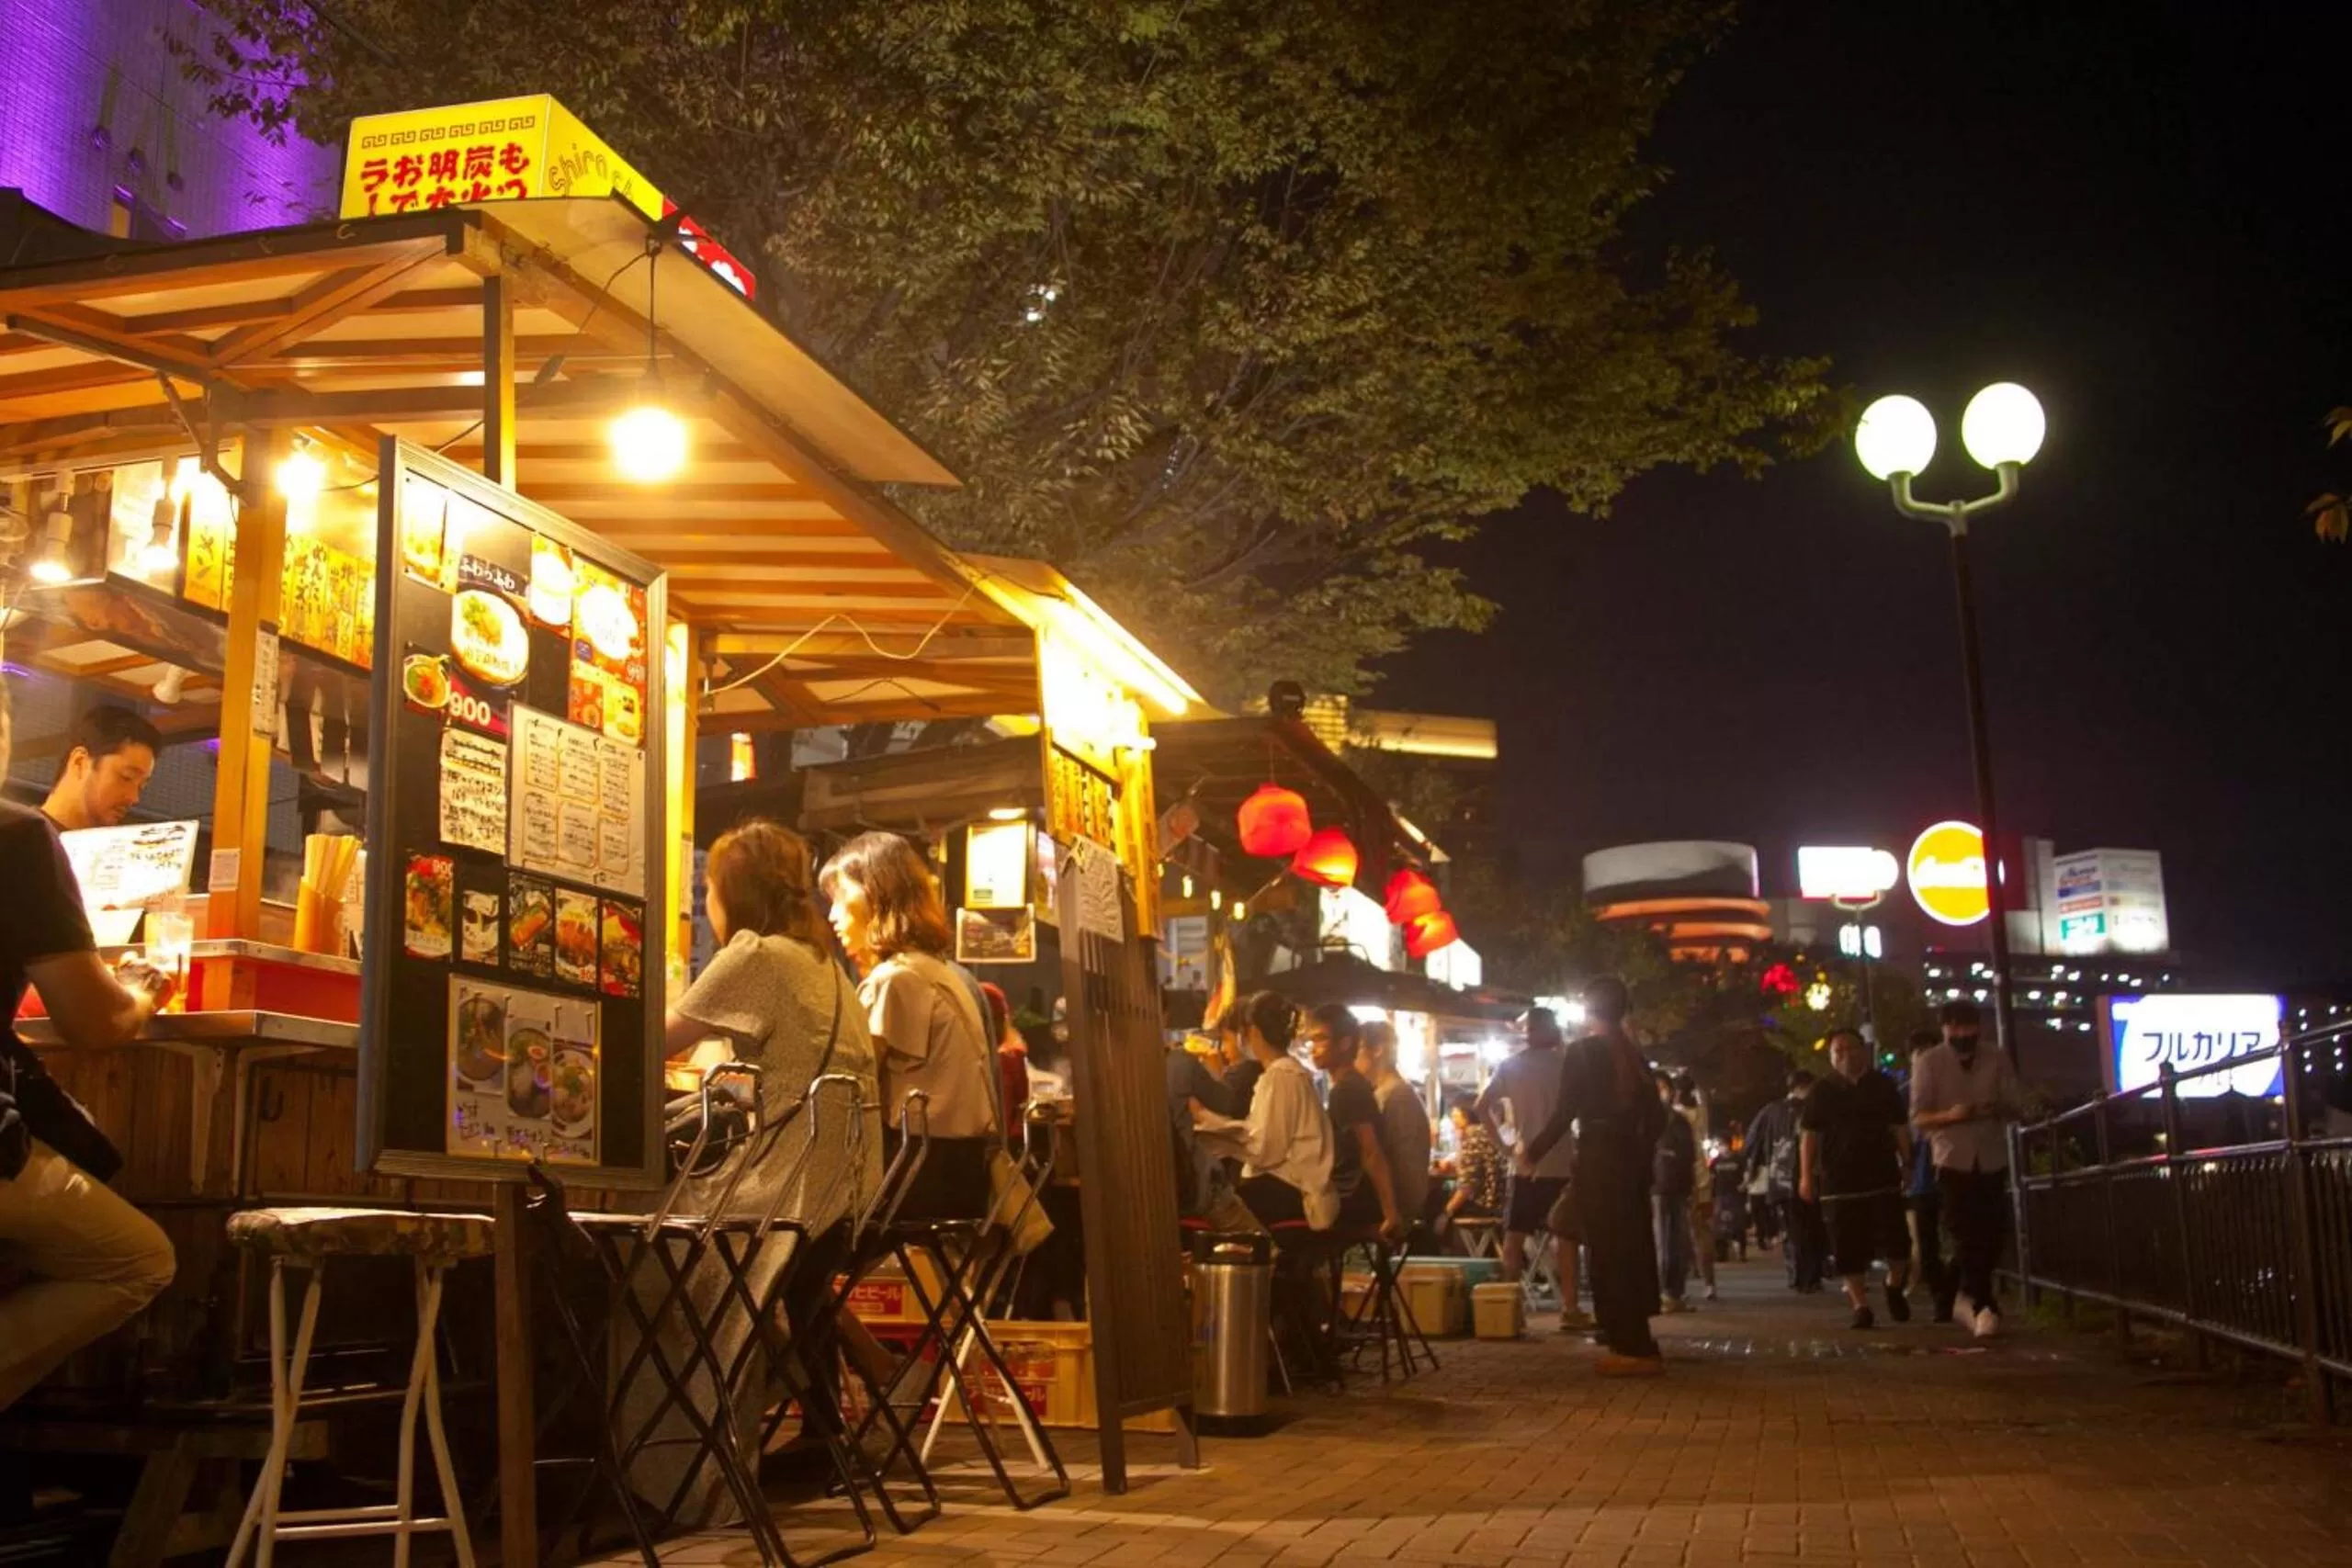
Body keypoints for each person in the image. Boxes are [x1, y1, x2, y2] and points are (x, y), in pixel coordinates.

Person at [647, 818, 882, 1519]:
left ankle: (684, 1456)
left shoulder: (754, 953)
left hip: (787, 1194)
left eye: (709, 887)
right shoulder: (825, 968)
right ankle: (811, 1422)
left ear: (731, 892)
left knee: (652, 1240)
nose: (706, 901)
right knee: (786, 1288)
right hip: (844, 1194)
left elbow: (655, 1039)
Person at [1, 684, 179, 1413]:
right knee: (138, 1258)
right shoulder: (18, 837)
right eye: (127, 776)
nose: (135, 794)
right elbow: (96, 1025)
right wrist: (138, 993)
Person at [820, 831, 1000, 1220]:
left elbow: (847, 1081)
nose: (832, 916)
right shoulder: (941, 972)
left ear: (876, 896)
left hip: (915, 1176)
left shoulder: (895, 980)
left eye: (839, 899)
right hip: (963, 1172)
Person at [1527, 976, 1668, 1376]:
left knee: (1607, 1253)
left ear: (1589, 1011)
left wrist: (1531, 1152)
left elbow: (1564, 1111)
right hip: (1631, 1166)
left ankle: (1629, 1347)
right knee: (1633, 1249)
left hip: (1599, 1162)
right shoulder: (1633, 1055)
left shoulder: (1584, 1052)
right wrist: (1639, 1151)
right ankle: (1636, 1336)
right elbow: (1657, 1117)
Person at [1909, 1000, 2021, 1337]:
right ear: (1944, 1028)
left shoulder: (1996, 1057)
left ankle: (1958, 1297)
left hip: (1991, 1154)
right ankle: (1981, 1303)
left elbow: (2016, 1103)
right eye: (1954, 1027)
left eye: (1968, 1027)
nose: (1962, 1034)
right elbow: (1918, 1117)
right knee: (1963, 1230)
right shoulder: (1930, 1062)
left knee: (1991, 1232)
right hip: (1951, 1158)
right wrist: (1952, 1115)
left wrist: (1996, 1108)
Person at [1801, 1027, 1914, 1330]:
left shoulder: (1882, 1086)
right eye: (1838, 1050)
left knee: (1898, 1244)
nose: (1845, 1055)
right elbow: (1809, 1136)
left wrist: (1907, 1162)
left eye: (1851, 1048)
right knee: (1846, 1246)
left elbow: (1899, 1126)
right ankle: (1860, 1305)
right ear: (1831, 1056)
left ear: (1863, 1050)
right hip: (1839, 1180)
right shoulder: (1821, 1091)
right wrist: (1805, 1177)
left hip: (1882, 1175)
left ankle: (1894, 1285)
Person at [1193, 992, 1336, 1229]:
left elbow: (1266, 1150)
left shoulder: (1281, 1075)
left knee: (1216, 1205)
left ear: (1255, 1033)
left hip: (1294, 1189)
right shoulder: (1288, 1072)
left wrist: (1210, 1128)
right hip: (1295, 1184)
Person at [1474, 1009, 1577, 1293]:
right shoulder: (1566, 1065)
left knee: (1514, 1236)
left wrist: (1505, 1147)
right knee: (1566, 1236)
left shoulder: (1511, 1066)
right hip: (1562, 1164)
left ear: (1528, 1032)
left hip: (1523, 1165)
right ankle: (1569, 1306)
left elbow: (1481, 1107)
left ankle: (1509, 1305)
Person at [1303, 1007, 1407, 1242]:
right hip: (1352, 1193)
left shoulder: (1348, 1089)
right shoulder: (1347, 1086)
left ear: (1345, 1043)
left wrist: (1390, 1212)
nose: (1314, 1048)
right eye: (1311, 1040)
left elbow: (1371, 1151)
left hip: (1352, 1197)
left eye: (1321, 1038)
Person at [1746, 1071, 1824, 1292]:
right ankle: (1812, 1276)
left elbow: (1752, 1141)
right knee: (1813, 1227)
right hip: (1812, 1176)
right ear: (1804, 1087)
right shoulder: (1812, 1109)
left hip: (1780, 1179)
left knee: (1793, 1228)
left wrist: (1756, 1166)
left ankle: (1797, 1274)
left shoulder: (1770, 1111)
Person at [1361, 1020, 1434, 1233]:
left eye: (1357, 1050)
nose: (1352, 1059)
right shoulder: (1389, 1093)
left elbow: (1406, 1162)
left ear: (1377, 1050)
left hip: (1392, 1207)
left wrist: (1396, 1210)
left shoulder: (1396, 1096)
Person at [41, 705, 161, 831]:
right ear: (79, 762)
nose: (134, 798)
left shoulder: (116, 848)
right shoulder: (24, 838)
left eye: (141, 786)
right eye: (126, 777)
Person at [1902, 1028, 1952, 1317]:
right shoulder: (1902, 1093)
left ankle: (1951, 1293)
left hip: (1951, 1170)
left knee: (1958, 1238)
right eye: (1918, 1055)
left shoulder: (1949, 1090)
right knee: (1926, 1245)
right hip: (1920, 1180)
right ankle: (1941, 1298)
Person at [1650, 1072, 1698, 1312]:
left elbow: (1690, 1156)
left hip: (1677, 1187)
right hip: (1654, 1188)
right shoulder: (1644, 1119)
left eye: (1663, 1087)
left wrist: (1692, 1187)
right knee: (1662, 1241)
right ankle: (1663, 1292)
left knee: (1676, 1241)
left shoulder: (1679, 1121)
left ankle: (1674, 1292)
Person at [1437, 1095, 1504, 1245]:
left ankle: (1438, 1255)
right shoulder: (1486, 1131)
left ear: (1466, 1115)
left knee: (1435, 1203)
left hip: (1488, 1204)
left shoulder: (1473, 1134)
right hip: (1500, 1200)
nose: (1452, 1119)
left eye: (1455, 1114)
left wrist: (1447, 1212)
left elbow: (1468, 1185)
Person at [1674, 1075, 1718, 1301]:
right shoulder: (1701, 1113)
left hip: (1680, 1176)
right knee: (1702, 1232)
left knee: (1678, 1232)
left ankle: (1678, 1284)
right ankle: (1709, 1282)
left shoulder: (1675, 1115)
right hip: (1702, 1177)